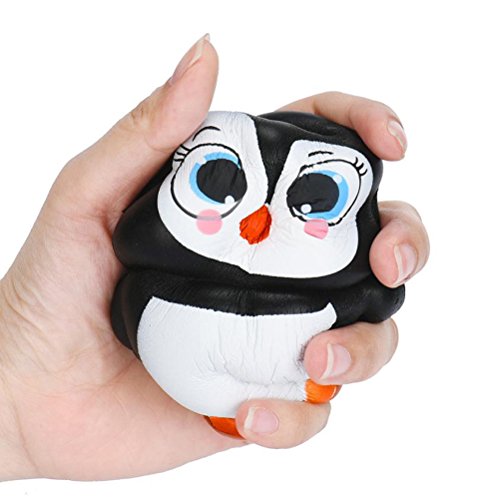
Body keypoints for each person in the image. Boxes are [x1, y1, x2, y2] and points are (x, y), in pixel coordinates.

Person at [0, 34, 429, 481]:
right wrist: (12, 391)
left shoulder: (344, 272)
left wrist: (14, 408)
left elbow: (380, 296)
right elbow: (131, 248)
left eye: (318, 195)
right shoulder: (148, 247)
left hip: (291, 350)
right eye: (216, 180)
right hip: (170, 333)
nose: (259, 221)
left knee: (332, 348)